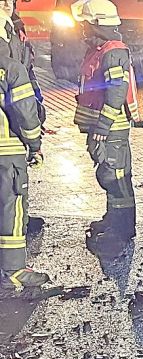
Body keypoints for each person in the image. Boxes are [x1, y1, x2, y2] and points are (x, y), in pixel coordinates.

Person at [71, 0, 139, 246]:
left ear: (97, 24)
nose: (82, 29)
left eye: (86, 24)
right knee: (109, 175)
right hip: (104, 129)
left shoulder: (113, 51)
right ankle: (113, 220)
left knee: (117, 178)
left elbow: (116, 92)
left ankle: (122, 230)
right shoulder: (100, 49)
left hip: (112, 129)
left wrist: (103, 126)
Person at [0, 44, 44, 288]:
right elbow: (27, 114)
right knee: (11, 208)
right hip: (6, 153)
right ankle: (13, 271)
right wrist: (34, 143)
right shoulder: (10, 69)